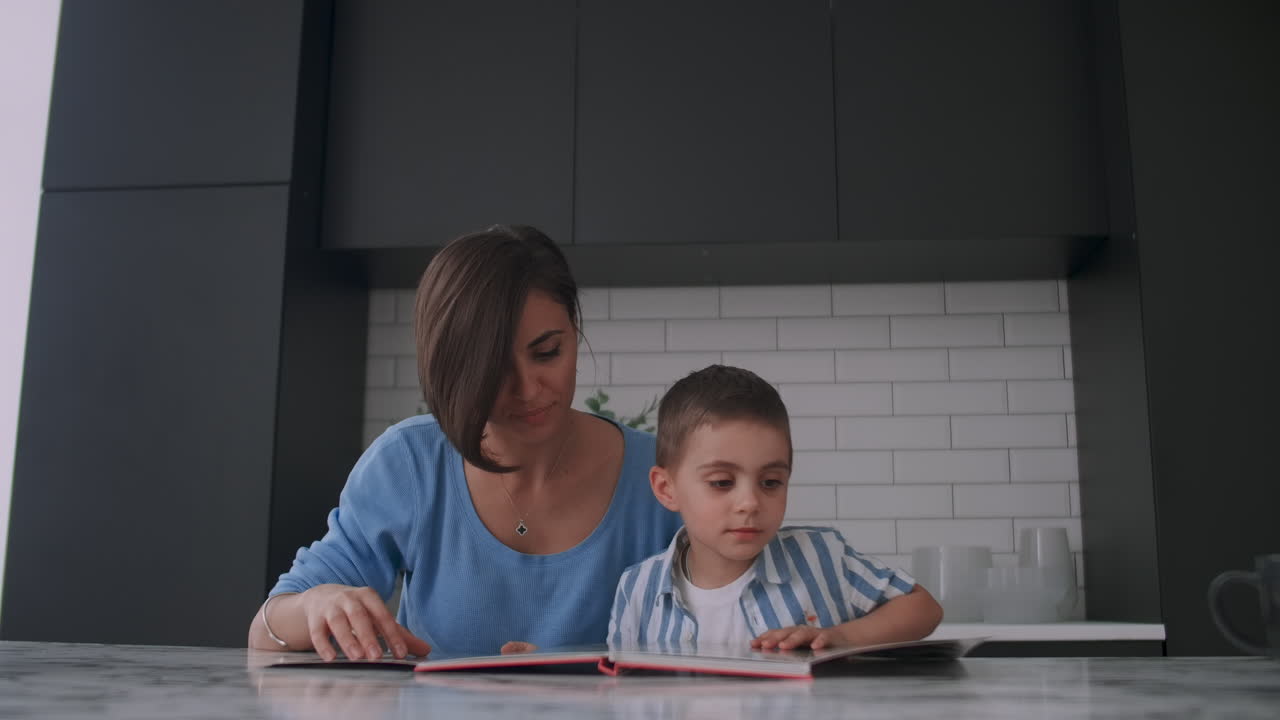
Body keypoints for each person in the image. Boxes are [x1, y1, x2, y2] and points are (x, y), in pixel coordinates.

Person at [248, 225, 682, 660]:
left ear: (575, 330)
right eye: (493, 367)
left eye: (547, 352)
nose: (528, 389)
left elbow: (719, 640)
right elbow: (266, 632)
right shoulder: (410, 463)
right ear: (452, 366)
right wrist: (315, 604)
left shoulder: (664, 476)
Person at [608, 365, 943, 650]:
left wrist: (840, 636)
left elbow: (922, 608)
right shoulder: (637, 588)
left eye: (770, 482)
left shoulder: (821, 557)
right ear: (667, 489)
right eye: (722, 482)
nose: (750, 503)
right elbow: (621, 689)